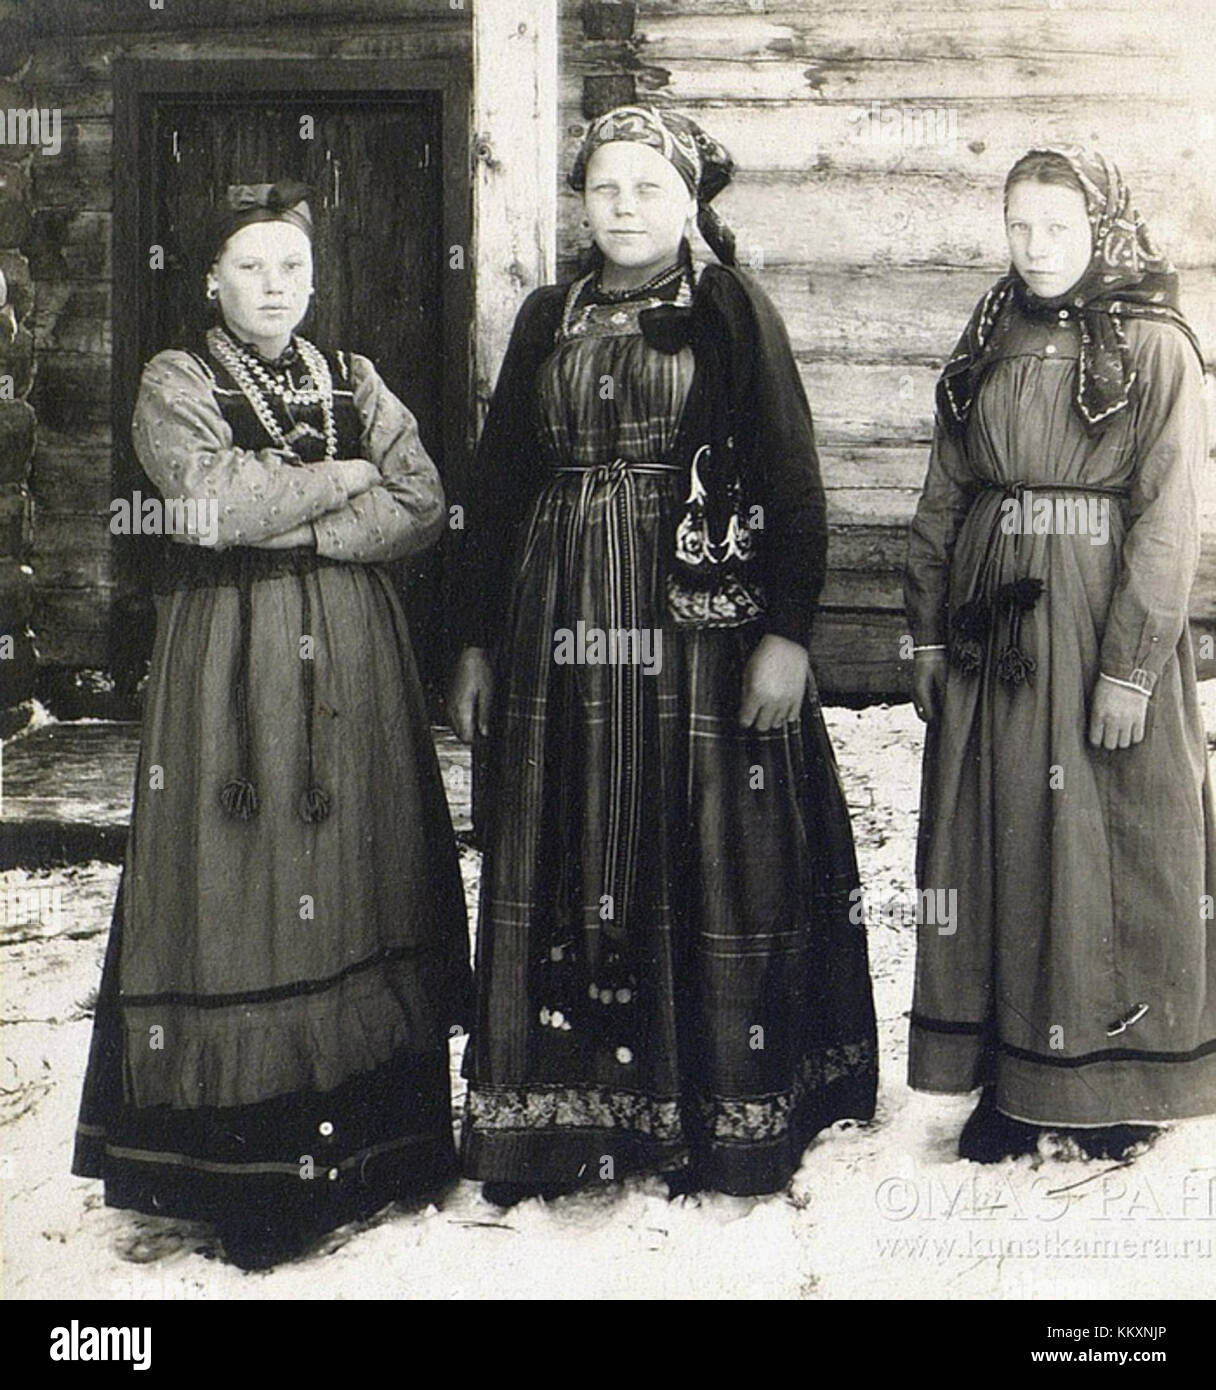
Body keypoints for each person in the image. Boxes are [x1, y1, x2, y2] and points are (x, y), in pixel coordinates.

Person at [450, 106, 878, 1203]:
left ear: (688, 200)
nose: (624, 208)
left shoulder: (730, 309)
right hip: (559, 632)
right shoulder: (549, 314)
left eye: (647, 187)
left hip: (696, 628)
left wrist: (786, 632)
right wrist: (475, 641)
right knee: (571, 840)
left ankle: (713, 1107)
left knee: (699, 844)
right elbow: (498, 492)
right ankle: (564, 1112)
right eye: (604, 189)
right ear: (580, 203)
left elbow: (790, 477)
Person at [72, 180, 470, 1268]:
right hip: (231, 663)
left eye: (290, 266)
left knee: (354, 857)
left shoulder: (354, 375)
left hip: (353, 651)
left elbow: (425, 499)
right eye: (250, 266)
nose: (273, 285)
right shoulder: (175, 378)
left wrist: (306, 524)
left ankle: (382, 1144)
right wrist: (341, 479)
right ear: (211, 279)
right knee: (241, 867)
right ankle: (246, 1170)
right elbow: (209, 502)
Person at [905, 146, 1216, 1162]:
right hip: (997, 624)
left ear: (1102, 227)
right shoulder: (989, 330)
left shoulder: (1157, 345)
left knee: (1105, 842)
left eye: (1058, 228)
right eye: (1019, 227)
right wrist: (926, 627)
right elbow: (947, 487)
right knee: (999, 837)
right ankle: (1012, 1073)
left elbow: (1169, 519)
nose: (1036, 249)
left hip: (1095, 620)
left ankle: (1113, 1078)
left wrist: (1129, 665)